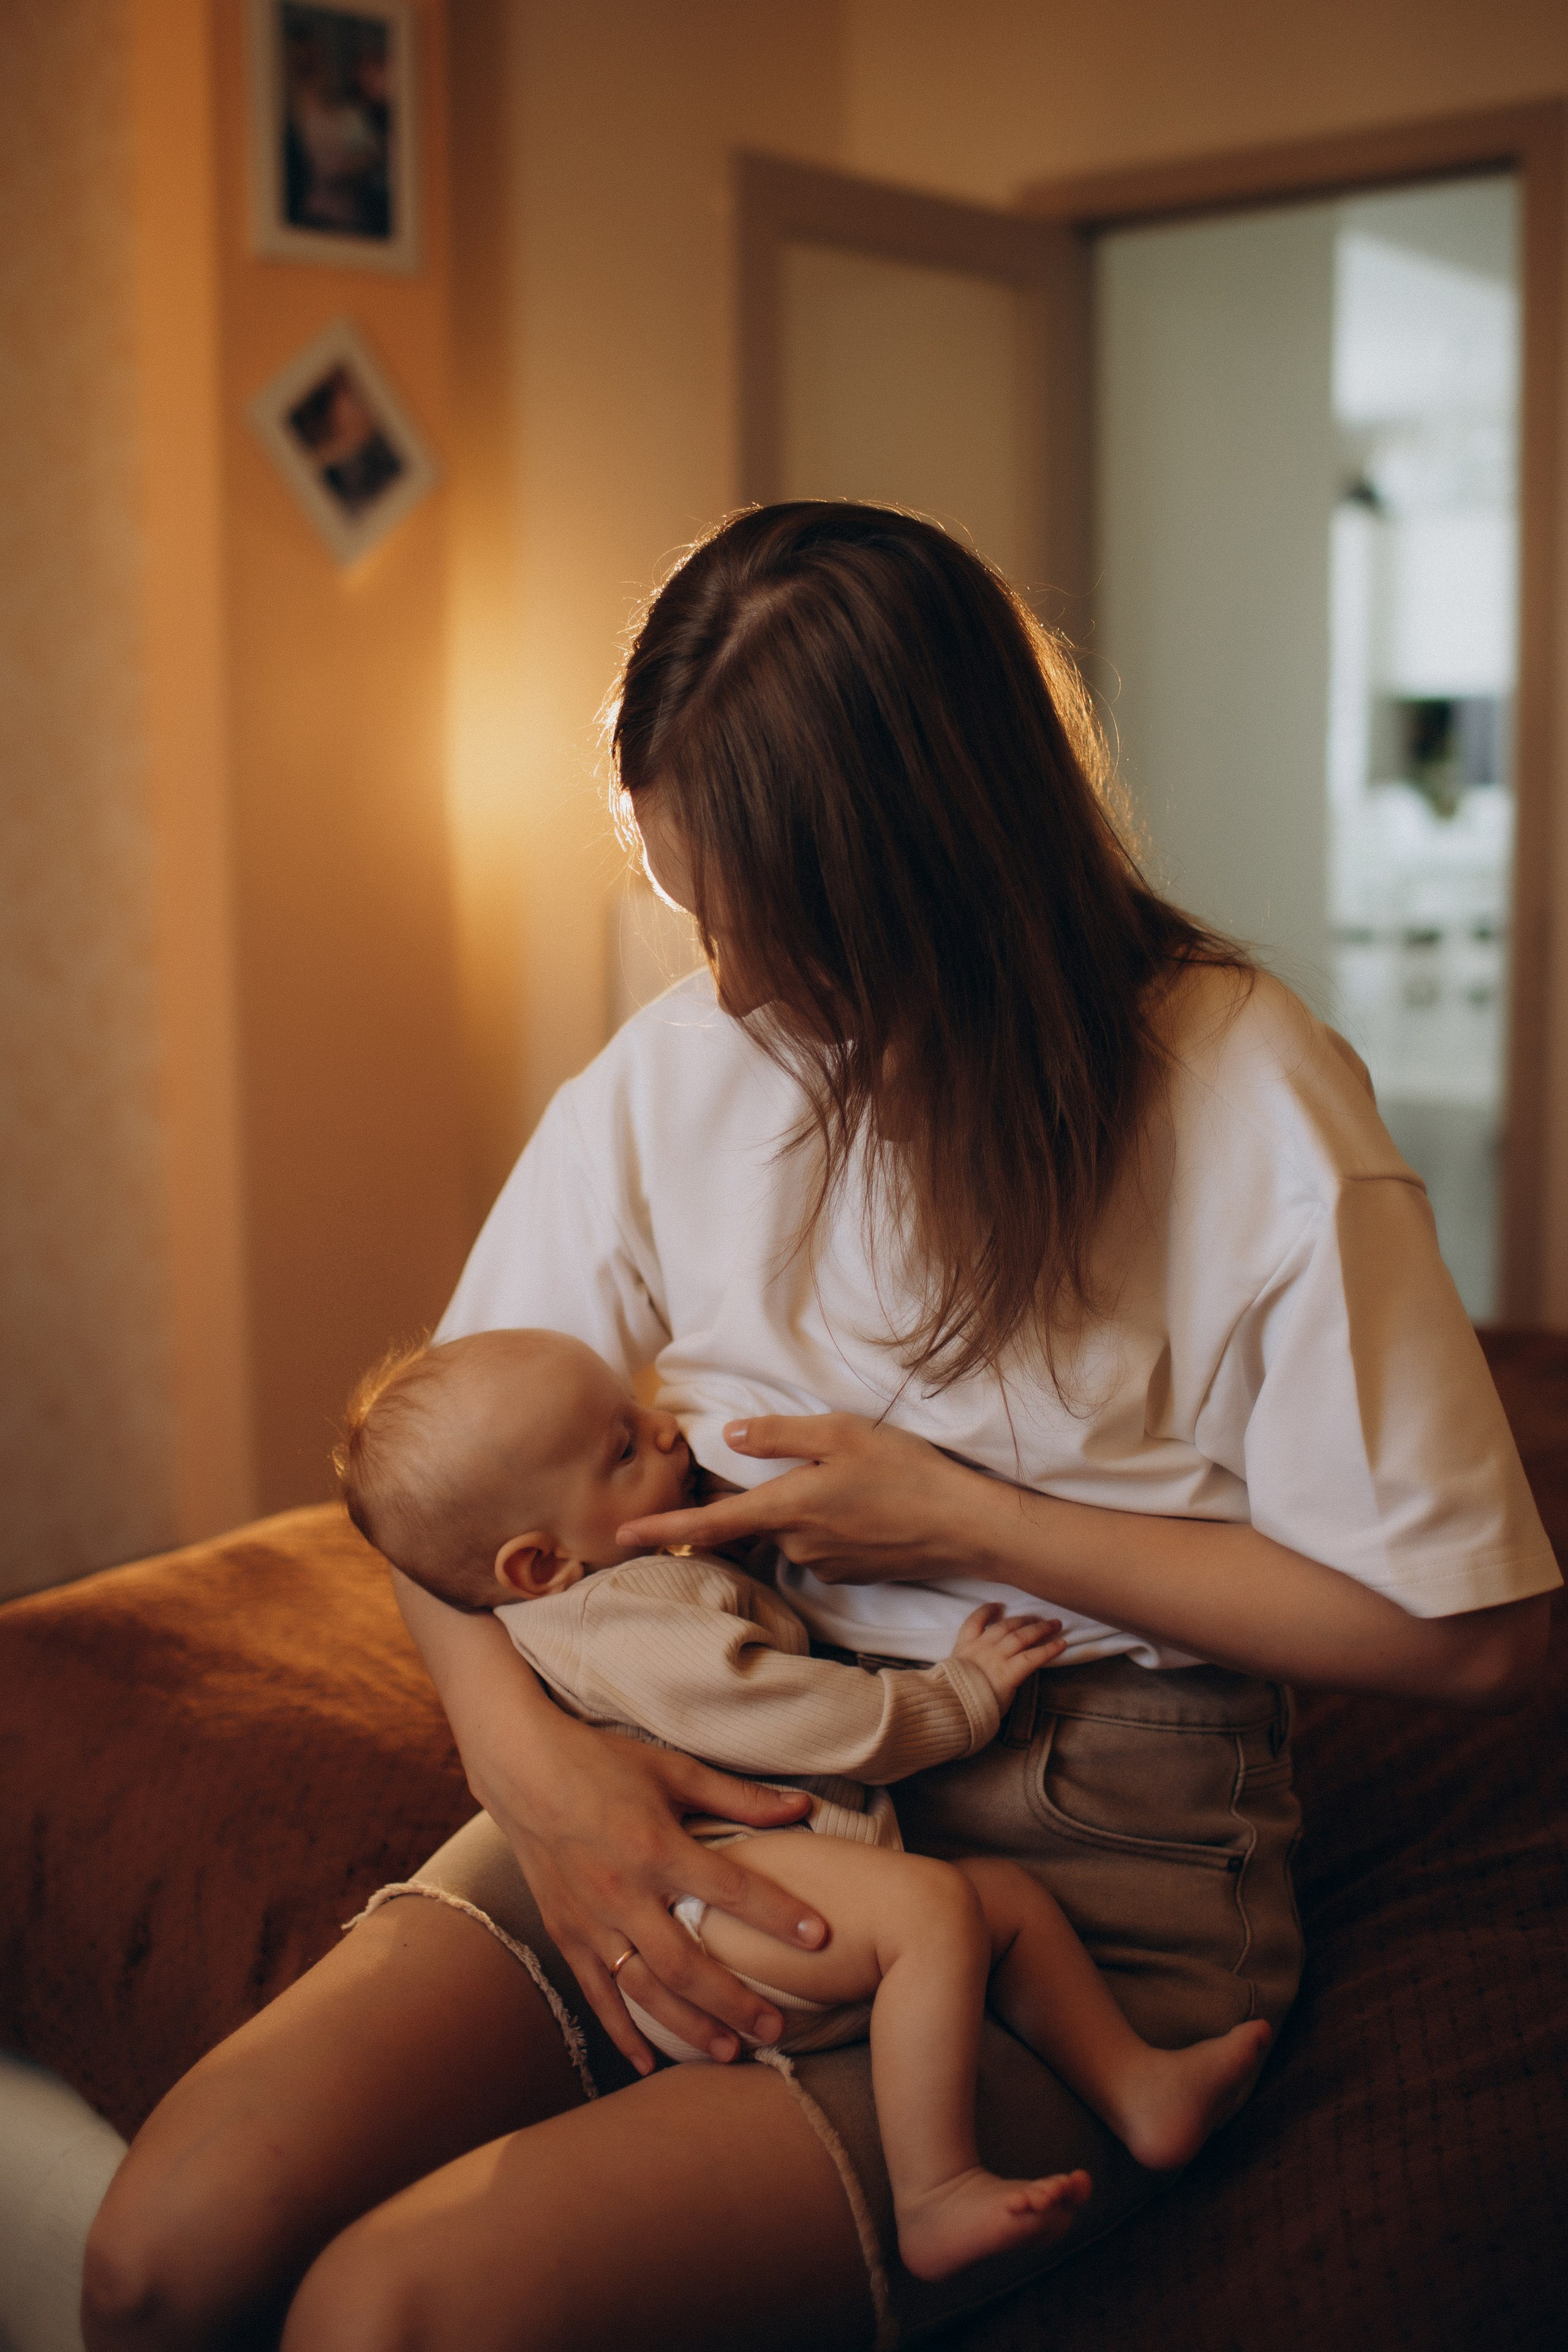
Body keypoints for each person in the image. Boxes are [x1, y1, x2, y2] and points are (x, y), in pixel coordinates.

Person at [83, 503, 1558, 2352]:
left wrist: (971, 1522)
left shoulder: (1245, 1095)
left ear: (942, 871)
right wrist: (542, 1787)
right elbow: (442, 1504)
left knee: (396, 2314)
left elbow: (1480, 1641)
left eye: (782, 925)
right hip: (697, 1749)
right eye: (700, 912)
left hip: (1087, 1834)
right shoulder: (681, 1069)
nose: (741, 984)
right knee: (165, 2255)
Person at [333, 1325, 1276, 2280]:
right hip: (706, 1907)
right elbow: (801, 1720)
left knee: (1009, 1907)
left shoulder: (611, 1585)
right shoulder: (628, 1624)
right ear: (539, 1566)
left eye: (640, 1409)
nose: (666, 1432)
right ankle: (935, 2191)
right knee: (934, 1913)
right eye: (623, 1448)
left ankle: (1137, 2089)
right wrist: (958, 1698)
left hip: (753, 1872)